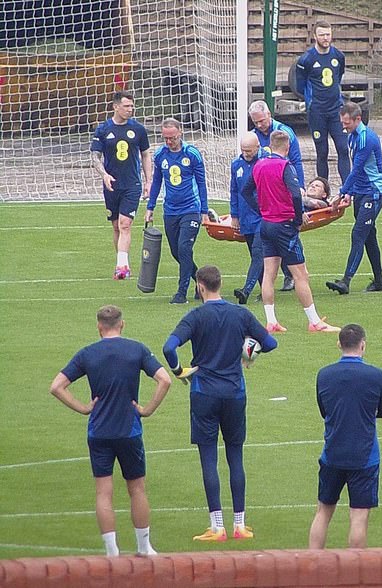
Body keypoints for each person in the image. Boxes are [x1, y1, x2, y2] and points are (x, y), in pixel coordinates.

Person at [162, 265, 278, 542]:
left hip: (204, 393)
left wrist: (179, 371)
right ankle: (239, 524)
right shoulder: (240, 314)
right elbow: (270, 342)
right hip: (235, 392)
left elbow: (169, 347)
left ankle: (217, 526)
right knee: (235, 457)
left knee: (209, 459)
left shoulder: (195, 316)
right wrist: (249, 353)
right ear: (220, 284)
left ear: (200, 286)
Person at [49, 305, 171, 556]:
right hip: (129, 430)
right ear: (122, 325)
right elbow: (165, 379)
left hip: (99, 432)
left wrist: (83, 408)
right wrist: (147, 409)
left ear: (98, 327)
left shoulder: (87, 354)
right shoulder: (136, 349)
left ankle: (111, 551)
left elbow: (57, 386)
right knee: (137, 488)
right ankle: (144, 547)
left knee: (103, 492)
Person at [242, 130, 340, 333]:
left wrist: (260, 208)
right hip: (284, 226)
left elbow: (245, 190)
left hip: (266, 225)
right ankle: (314, 322)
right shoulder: (285, 166)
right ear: (287, 147)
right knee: (301, 275)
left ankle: (271, 321)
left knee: (269, 274)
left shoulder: (259, 165)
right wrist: (297, 218)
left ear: (269, 145)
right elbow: (296, 195)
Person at [308, 324, 382, 549]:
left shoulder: (324, 375)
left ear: (339, 344)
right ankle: (355, 574)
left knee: (323, 512)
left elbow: (323, 409)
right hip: (365, 457)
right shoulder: (376, 375)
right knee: (359, 517)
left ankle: (310, 568)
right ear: (363, 345)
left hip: (332, 453)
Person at [145, 118, 210, 304]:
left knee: (184, 247)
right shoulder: (160, 155)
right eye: (165, 138)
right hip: (170, 210)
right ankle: (201, 281)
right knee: (176, 251)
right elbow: (157, 181)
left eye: (172, 138)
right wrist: (151, 206)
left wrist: (204, 211)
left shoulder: (192, 154)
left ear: (180, 133)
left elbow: (201, 183)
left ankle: (181, 293)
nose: (169, 141)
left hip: (191, 209)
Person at [326, 102, 382, 294]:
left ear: (358, 119)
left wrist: (342, 192)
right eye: (342, 123)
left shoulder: (366, 138)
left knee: (358, 233)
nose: (344, 127)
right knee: (369, 236)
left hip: (374, 191)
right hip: (361, 191)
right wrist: (351, 193)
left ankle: (346, 280)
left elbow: (358, 168)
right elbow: (357, 172)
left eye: (347, 123)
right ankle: (379, 281)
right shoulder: (352, 136)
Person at [90, 91, 152, 280]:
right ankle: (120, 261)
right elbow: (95, 156)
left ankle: (122, 267)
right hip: (111, 185)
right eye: (126, 106)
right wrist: (104, 175)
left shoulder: (139, 129)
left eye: (132, 106)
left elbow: (146, 154)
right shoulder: (103, 129)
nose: (130, 109)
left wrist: (149, 181)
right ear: (115, 107)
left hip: (132, 184)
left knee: (126, 224)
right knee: (117, 226)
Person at [249, 100, 304, 291]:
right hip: (266, 191)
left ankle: (290, 274)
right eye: (255, 122)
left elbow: (295, 160)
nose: (259, 125)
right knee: (277, 235)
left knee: (282, 232)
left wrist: (300, 186)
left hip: (284, 186)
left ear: (269, 114)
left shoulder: (284, 133)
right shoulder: (253, 136)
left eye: (262, 121)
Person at [296, 20, 350, 183]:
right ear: (315, 36)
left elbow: (338, 76)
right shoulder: (306, 60)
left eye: (328, 34)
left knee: (343, 148)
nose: (326, 38)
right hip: (317, 112)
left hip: (336, 111)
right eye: (322, 35)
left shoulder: (338, 56)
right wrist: (313, 100)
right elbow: (300, 86)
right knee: (322, 152)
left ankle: (348, 189)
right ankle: (323, 190)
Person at [230, 133, 264, 306]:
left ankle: (246, 290)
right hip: (246, 216)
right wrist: (234, 214)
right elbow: (234, 190)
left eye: (249, 151)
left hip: (264, 216)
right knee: (255, 254)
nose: (246, 153)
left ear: (258, 147)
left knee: (258, 253)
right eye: (243, 150)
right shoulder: (236, 164)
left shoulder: (265, 162)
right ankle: (265, 290)